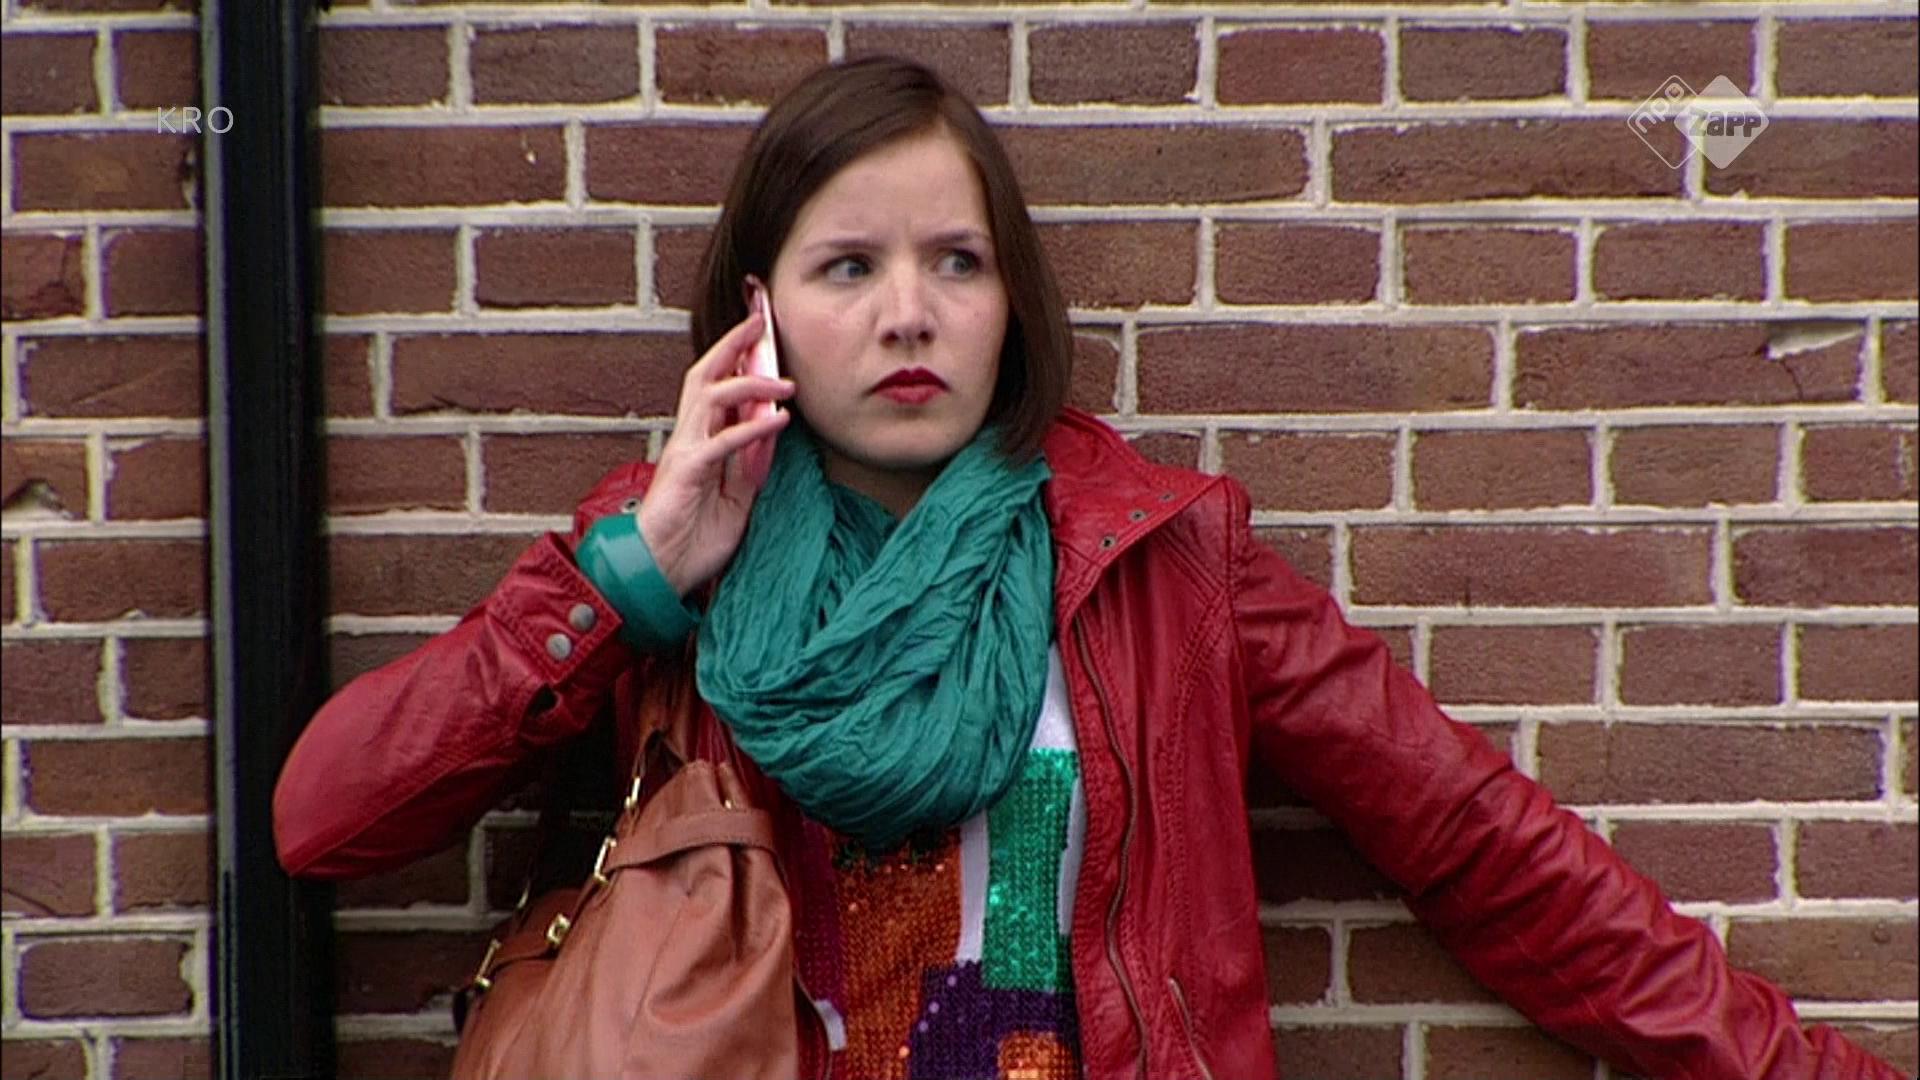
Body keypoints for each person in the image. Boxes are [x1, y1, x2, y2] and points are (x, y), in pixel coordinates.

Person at [273, 56, 1905, 1080]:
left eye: (957, 262)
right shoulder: (660, 559)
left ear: (1014, 306)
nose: (908, 311)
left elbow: (1480, 842)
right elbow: (326, 820)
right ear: (756, 311)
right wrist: (636, 570)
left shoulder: (1156, 561)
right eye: (847, 266)